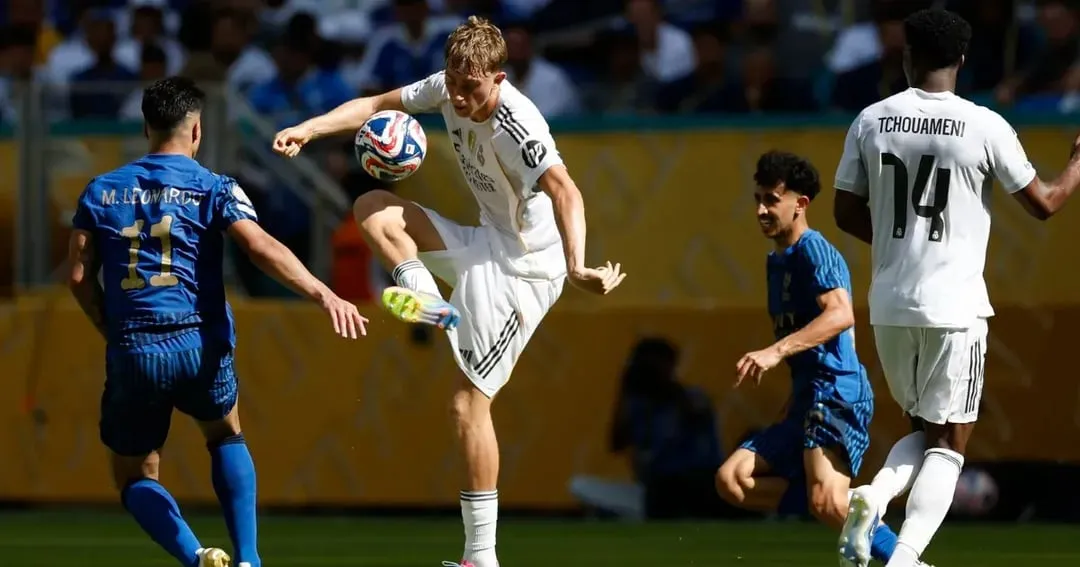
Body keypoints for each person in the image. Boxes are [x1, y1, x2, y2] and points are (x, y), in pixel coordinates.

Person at [271, 16, 626, 567]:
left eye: (471, 87)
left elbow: (567, 192)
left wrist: (579, 265)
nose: (458, 97)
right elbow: (372, 105)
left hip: (527, 272)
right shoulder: (445, 85)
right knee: (372, 208)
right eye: (453, 84)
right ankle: (423, 295)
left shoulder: (520, 124)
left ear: (499, 78)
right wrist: (309, 129)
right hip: (486, 242)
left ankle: (480, 557)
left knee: (466, 405)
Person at [67, 77, 367, 567]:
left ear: (146, 127)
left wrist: (110, 328)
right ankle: (249, 558)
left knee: (136, 475)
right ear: (198, 130)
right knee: (225, 433)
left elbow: (79, 277)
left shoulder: (101, 191)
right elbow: (260, 247)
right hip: (198, 341)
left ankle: (196, 556)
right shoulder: (214, 187)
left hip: (134, 346)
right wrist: (322, 292)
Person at [833, 8, 1080, 567]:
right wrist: (1076, 166)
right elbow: (1043, 204)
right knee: (950, 446)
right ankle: (906, 555)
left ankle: (875, 495)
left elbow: (845, 210)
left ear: (905, 55)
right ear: (962, 61)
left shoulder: (872, 120)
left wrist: (900, 248)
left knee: (923, 429)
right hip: (954, 307)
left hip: (891, 305)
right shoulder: (983, 124)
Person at [715, 151, 906, 565]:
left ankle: (906, 562)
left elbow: (840, 314)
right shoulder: (776, 262)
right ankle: (852, 502)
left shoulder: (813, 250)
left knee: (826, 504)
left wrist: (774, 352)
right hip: (807, 399)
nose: (762, 210)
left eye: (771, 200)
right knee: (732, 480)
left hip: (838, 391)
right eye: (758, 199)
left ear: (800, 204)